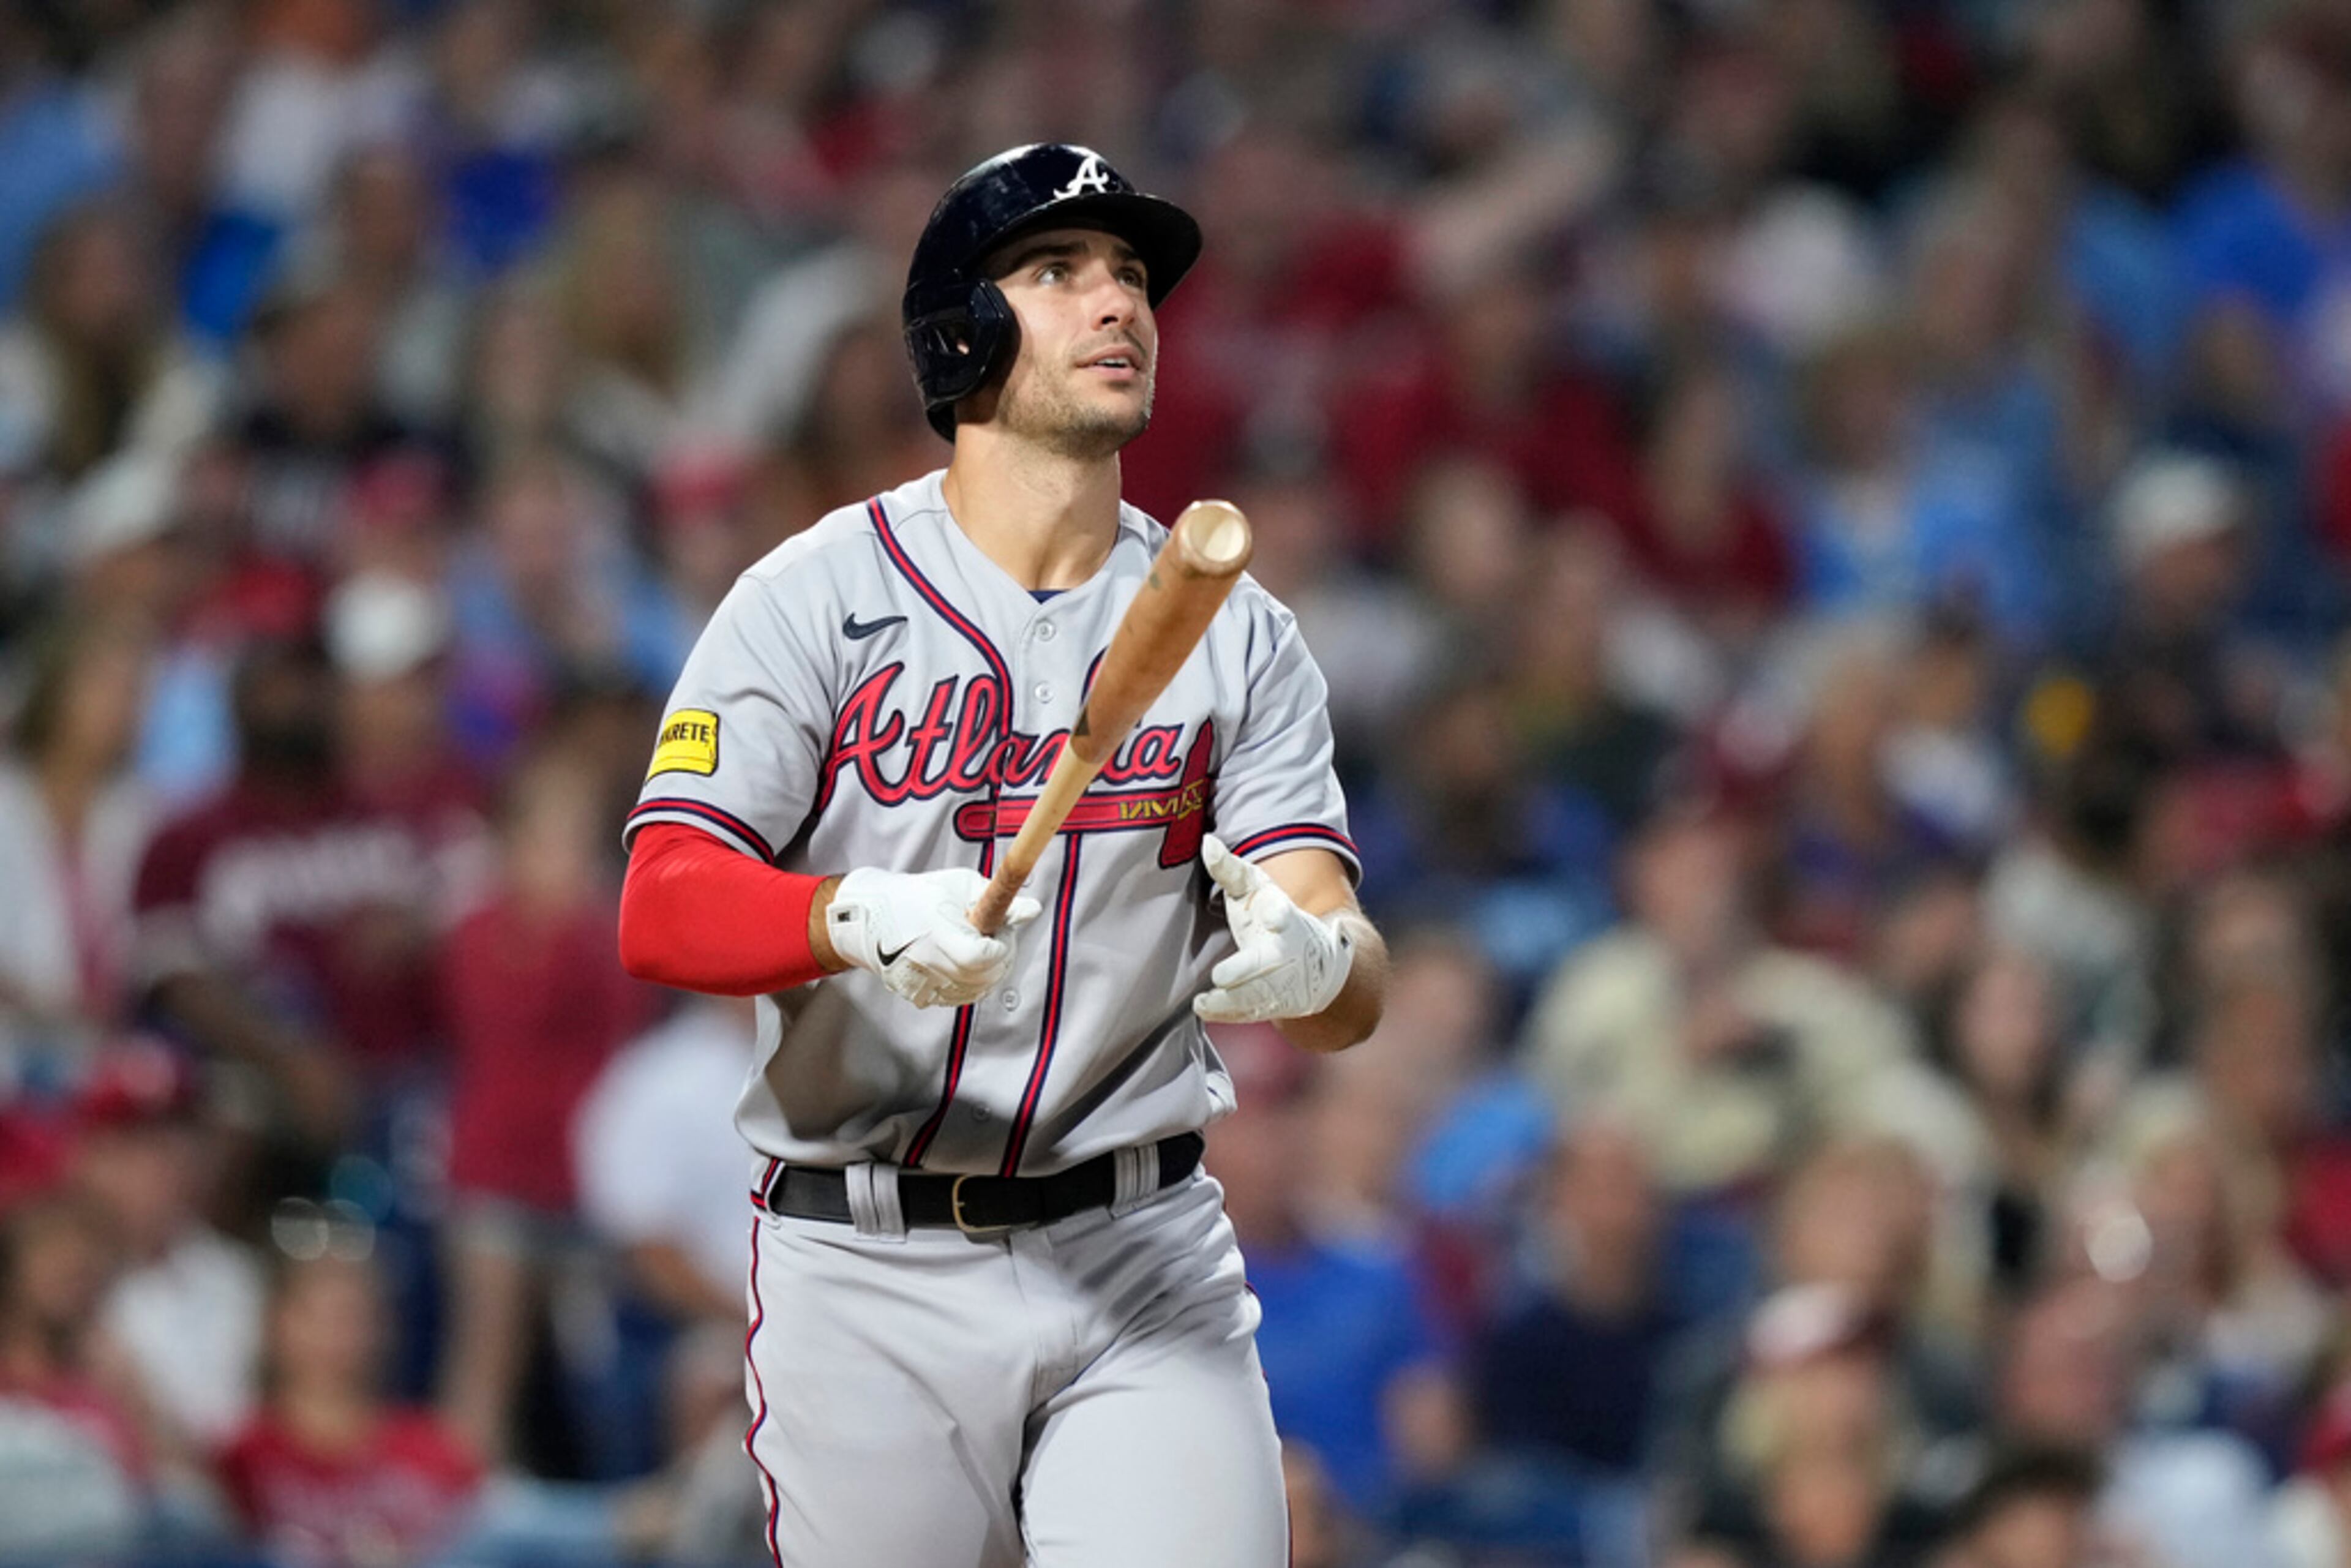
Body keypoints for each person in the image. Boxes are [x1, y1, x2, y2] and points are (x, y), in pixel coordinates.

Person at [616, 142, 1389, 1567]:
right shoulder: (809, 598)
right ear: (959, 334)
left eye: (1132, 276)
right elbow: (663, 903)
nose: (1118, 305)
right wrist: (852, 917)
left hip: (1142, 1248)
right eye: (1058, 272)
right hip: (870, 1262)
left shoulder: (1236, 625)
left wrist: (1315, 962)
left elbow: (1346, 963)